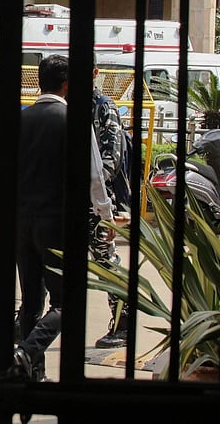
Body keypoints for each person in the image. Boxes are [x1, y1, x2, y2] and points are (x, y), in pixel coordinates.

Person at [12, 54, 116, 383]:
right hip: (56, 222)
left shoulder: (21, 119)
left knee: (30, 302)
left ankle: (33, 377)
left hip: (20, 222)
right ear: (68, 84)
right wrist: (106, 216)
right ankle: (28, 353)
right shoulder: (73, 120)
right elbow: (94, 176)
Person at [90, 65, 129, 349]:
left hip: (99, 202)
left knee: (106, 263)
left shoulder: (104, 108)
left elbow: (111, 160)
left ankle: (122, 323)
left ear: (94, 72)